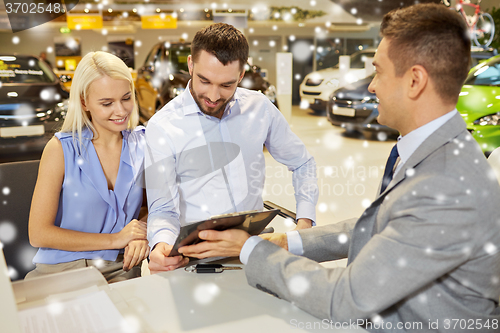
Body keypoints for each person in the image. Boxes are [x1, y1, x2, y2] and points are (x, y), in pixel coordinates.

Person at [179, 4, 500, 331]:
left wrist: (249, 248)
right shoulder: (435, 151)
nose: (372, 86)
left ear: (415, 80)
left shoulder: (446, 184)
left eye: (378, 71)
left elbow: (346, 299)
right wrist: (288, 243)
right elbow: (381, 228)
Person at [145, 23, 318, 273]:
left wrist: (305, 224)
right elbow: (163, 208)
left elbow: (302, 162)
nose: (213, 95)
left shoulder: (259, 108)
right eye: (204, 81)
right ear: (191, 66)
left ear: (240, 75)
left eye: (226, 85)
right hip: (195, 259)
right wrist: (161, 244)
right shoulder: (162, 126)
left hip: (253, 249)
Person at [26, 51, 149, 283]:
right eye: (107, 103)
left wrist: (143, 232)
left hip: (124, 269)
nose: (121, 111)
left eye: (126, 98)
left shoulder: (144, 144)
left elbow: (157, 207)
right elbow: (39, 233)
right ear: (84, 102)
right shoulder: (60, 149)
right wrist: (116, 240)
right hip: (64, 269)